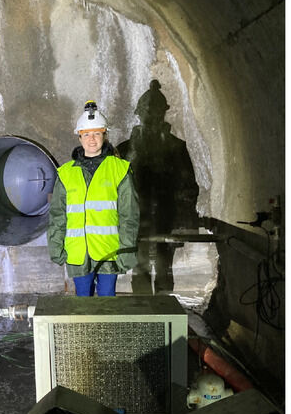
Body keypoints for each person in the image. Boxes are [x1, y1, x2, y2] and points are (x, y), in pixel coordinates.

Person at [48, 101, 140, 296]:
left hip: (109, 252)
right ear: (79, 137)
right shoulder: (65, 173)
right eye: (87, 134)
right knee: (83, 305)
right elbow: (57, 215)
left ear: (104, 136)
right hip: (78, 254)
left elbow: (129, 215)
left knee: (107, 304)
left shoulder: (120, 169)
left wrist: (127, 250)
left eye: (97, 133)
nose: (92, 139)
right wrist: (56, 247)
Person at [117, 80, 199, 294]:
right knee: (141, 268)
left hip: (166, 218)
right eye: (148, 112)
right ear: (139, 114)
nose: (152, 117)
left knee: (163, 268)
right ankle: (145, 309)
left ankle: (164, 308)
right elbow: (114, 187)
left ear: (163, 114)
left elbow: (188, 187)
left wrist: (183, 219)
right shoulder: (126, 149)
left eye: (156, 113)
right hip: (137, 220)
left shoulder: (176, 148)